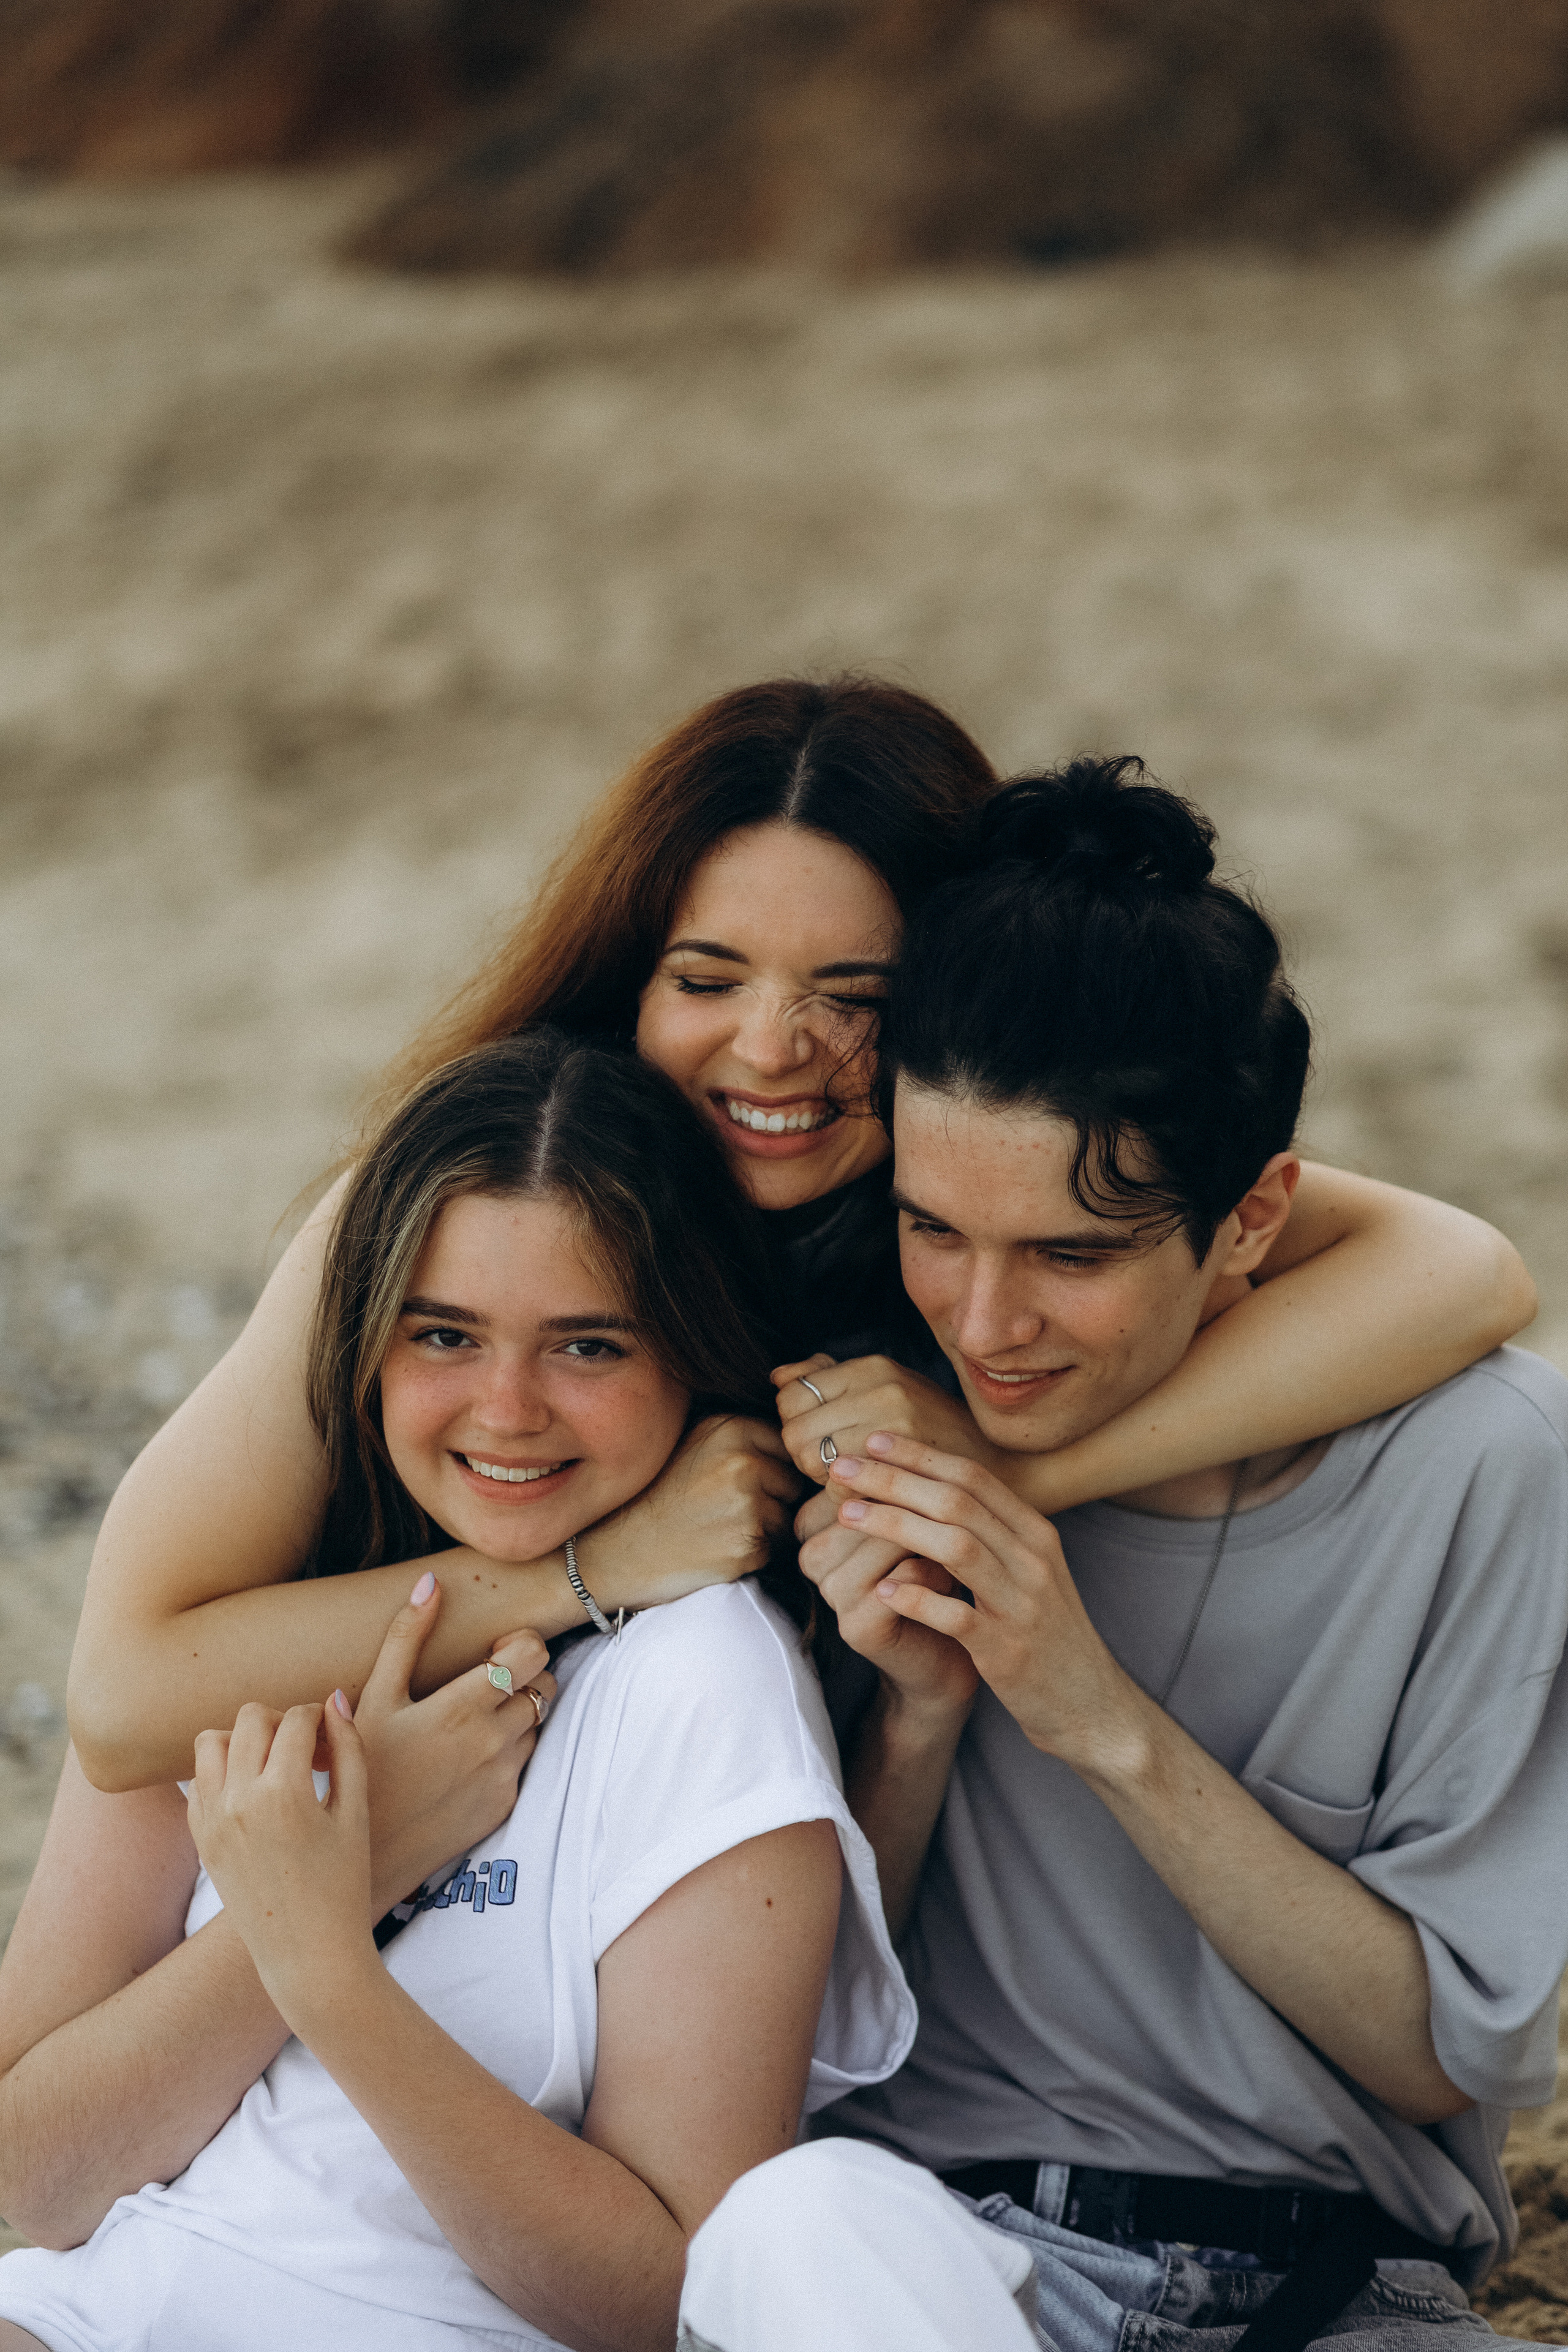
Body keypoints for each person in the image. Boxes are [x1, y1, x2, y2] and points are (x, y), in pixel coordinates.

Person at [66, 678, 1534, 1789]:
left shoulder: (994, 1190)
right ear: (631, 981)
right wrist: (599, 1564)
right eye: (706, 980)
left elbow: (1463, 1273)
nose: (770, 1050)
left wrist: (989, 1471)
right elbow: (124, 1698)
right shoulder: (460, 1206)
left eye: (854, 999)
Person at [684, 760, 1568, 2352]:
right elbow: (795, 2038)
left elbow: (1444, 2054)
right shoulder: (879, 1415)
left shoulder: (1485, 1467)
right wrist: (920, 1722)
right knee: (791, 2220)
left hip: (1345, 2295)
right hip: (940, 2267)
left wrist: (1089, 1712)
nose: (984, 1324)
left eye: (1071, 1255)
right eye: (934, 1229)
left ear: (1255, 1217)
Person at [0, 1032, 915, 2351]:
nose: (506, 1408)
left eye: (587, 1346)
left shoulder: (700, 1682)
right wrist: (361, 1859)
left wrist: (331, 1965)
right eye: (444, 1334)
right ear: (366, 1344)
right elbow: (37, 2181)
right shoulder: (254, 1625)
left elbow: (676, 2302)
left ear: (690, 1351)